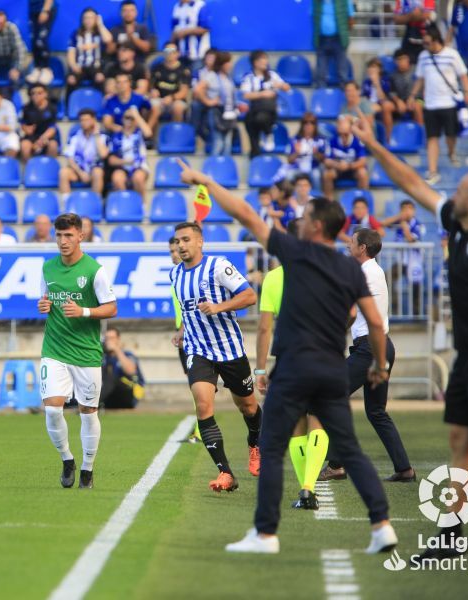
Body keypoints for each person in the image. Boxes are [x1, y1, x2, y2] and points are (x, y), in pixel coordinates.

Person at [174, 160, 397, 555]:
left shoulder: (294, 254)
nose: (301, 217)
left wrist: (205, 180)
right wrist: (380, 365)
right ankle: (381, 525)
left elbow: (244, 212)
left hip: (295, 366)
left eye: (306, 214)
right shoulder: (351, 268)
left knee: (272, 446)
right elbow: (376, 324)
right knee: (349, 446)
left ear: (315, 226)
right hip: (331, 367)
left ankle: (265, 534)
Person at [352, 112, 468, 564]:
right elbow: (411, 183)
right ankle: (451, 535)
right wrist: (373, 144)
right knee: (459, 443)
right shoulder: (459, 224)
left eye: (462, 187)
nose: (453, 192)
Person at [170, 220, 264, 492]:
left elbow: (248, 296)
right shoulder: (175, 275)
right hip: (198, 350)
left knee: (247, 406)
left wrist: (219, 307)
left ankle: (255, 443)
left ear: (200, 241)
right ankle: (225, 473)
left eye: (186, 240)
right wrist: (182, 331)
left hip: (230, 350)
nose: (181, 245)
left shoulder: (218, 266)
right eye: (178, 241)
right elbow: (189, 311)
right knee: (203, 406)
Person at [322, 229, 415, 484]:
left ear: (362, 248)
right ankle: (404, 468)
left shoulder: (363, 273)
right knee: (376, 410)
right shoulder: (374, 271)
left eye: (352, 242)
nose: (348, 245)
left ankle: (337, 464)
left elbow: (351, 311)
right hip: (382, 345)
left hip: (369, 348)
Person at [38, 212, 118, 489]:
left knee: (88, 411)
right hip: (54, 349)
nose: (63, 241)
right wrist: (43, 306)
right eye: (59, 235)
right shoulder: (48, 268)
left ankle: (87, 468)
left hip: (85, 352)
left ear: (81, 236)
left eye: (69, 235)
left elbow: (112, 307)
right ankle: (67, 459)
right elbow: (45, 298)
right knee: (51, 410)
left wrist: (83, 311)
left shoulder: (94, 270)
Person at [255, 219, 330, 510]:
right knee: (318, 420)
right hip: (323, 355)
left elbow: (264, 329)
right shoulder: (325, 272)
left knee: (297, 425)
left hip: (288, 359)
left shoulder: (274, 277)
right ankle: (309, 486)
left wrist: (261, 369)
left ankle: (304, 490)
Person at [409, 24, 468, 185]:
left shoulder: (452, 55)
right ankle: (432, 170)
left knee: (451, 135)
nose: (425, 46)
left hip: (449, 103)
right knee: (432, 138)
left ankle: (452, 152)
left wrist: (467, 92)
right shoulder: (423, 56)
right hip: (430, 104)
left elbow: (463, 75)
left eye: (428, 42)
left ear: (436, 40)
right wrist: (412, 95)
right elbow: (420, 79)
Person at [168, 237, 202, 443]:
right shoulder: (176, 275)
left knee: (198, 382)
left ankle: (201, 430)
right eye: (171, 251)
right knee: (193, 381)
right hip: (183, 332)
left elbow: (190, 306)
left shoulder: (189, 275)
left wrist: (183, 329)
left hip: (191, 333)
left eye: (176, 250)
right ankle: (200, 428)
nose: (174, 253)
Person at [241, 50, 290, 158]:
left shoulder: (272, 75)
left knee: (261, 117)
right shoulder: (249, 77)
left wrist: (280, 85)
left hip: (269, 110)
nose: (265, 62)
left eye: (265, 59)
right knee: (249, 120)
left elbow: (287, 87)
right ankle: (255, 154)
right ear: (255, 62)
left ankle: (268, 133)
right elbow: (245, 95)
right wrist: (263, 94)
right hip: (255, 109)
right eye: (261, 59)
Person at [59, 109, 108, 195]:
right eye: (82, 120)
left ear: (94, 120)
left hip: (95, 171)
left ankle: (95, 203)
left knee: (98, 172)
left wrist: (96, 135)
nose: (84, 122)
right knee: (63, 172)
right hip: (78, 171)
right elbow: (69, 158)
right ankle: (66, 203)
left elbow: (103, 154)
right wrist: (81, 173)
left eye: (87, 120)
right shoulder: (75, 136)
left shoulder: (102, 136)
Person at [66, 8, 112, 96]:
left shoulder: (100, 33)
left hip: (96, 67)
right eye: (86, 18)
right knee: (71, 80)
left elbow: (108, 40)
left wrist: (100, 24)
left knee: (100, 79)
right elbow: (71, 52)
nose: (88, 21)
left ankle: (102, 105)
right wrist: (73, 66)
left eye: (91, 18)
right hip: (79, 67)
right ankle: (69, 107)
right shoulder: (76, 34)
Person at [108, 107, 151, 198]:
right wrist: (124, 162)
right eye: (127, 117)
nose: (129, 120)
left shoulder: (139, 133)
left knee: (138, 178)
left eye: (132, 118)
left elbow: (148, 133)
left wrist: (136, 115)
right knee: (117, 178)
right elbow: (111, 159)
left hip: (139, 167)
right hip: (123, 167)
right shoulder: (116, 136)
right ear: (122, 119)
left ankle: (141, 207)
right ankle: (126, 205)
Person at [323, 115, 369, 199]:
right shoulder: (332, 141)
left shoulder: (358, 141)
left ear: (351, 131)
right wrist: (337, 165)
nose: (343, 137)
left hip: (353, 169)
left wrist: (349, 166)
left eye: (345, 134)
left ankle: (363, 199)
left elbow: (363, 161)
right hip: (338, 169)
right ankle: (328, 201)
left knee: (363, 173)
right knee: (327, 174)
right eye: (340, 134)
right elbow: (327, 161)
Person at [148, 42, 191, 131]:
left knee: (177, 107)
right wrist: (152, 90)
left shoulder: (184, 70)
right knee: (152, 105)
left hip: (176, 100)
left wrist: (171, 98)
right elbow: (149, 85)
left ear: (178, 53)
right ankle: (149, 137)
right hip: (160, 100)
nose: (169, 53)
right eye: (167, 51)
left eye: (172, 51)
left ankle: (176, 135)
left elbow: (183, 92)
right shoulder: (156, 68)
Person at [100, 327, 145, 409]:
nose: (109, 341)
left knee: (112, 378)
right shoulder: (103, 357)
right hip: (110, 397)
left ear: (118, 339)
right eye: (107, 338)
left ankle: (92, 406)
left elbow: (131, 371)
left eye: (112, 338)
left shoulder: (128, 355)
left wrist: (116, 350)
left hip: (128, 394)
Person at [313, 0, 354, 88]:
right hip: (322, 40)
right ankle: (321, 95)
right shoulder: (316, 2)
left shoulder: (345, 1)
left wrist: (345, 34)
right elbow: (314, 17)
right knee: (320, 72)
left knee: (342, 72)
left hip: (338, 39)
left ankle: (344, 94)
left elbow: (350, 19)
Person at [285, 113, 328, 187]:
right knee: (288, 175)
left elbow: (324, 159)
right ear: (302, 125)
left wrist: (316, 153)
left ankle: (317, 196)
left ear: (315, 125)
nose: (309, 125)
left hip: (314, 168)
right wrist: (297, 153)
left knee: (316, 175)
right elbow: (289, 160)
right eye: (305, 123)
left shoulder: (321, 140)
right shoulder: (295, 140)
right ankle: (291, 197)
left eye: (312, 123)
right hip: (298, 168)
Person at [20, 84, 59, 161]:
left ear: (45, 94)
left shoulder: (52, 108)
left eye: (39, 93)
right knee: (24, 146)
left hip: (47, 136)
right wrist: (26, 129)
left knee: (53, 145)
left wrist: (42, 139)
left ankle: (49, 170)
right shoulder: (26, 108)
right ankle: (29, 169)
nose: (36, 95)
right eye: (33, 93)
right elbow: (23, 123)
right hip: (32, 136)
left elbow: (53, 127)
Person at [108, 1, 154, 65]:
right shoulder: (115, 29)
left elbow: (146, 48)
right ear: (121, 13)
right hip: (118, 66)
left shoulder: (142, 28)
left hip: (138, 65)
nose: (128, 13)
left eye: (131, 10)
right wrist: (121, 43)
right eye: (125, 11)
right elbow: (109, 50)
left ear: (136, 13)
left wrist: (132, 37)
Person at [171, 0, 211, 72]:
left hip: (197, 55)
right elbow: (174, 28)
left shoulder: (200, 5)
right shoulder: (177, 6)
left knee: (195, 80)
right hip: (182, 55)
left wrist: (186, 32)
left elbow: (205, 28)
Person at [362, 59, 396, 140]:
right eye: (370, 67)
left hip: (381, 104)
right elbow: (363, 97)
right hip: (369, 105)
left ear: (379, 69)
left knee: (372, 109)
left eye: (374, 67)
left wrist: (377, 84)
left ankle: (387, 138)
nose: (371, 69)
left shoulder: (385, 80)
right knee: (366, 110)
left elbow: (383, 98)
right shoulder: (366, 82)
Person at [388, 49, 424, 125]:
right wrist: (398, 101)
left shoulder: (417, 70)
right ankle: (390, 136)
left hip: (419, 100)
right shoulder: (393, 75)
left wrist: (412, 99)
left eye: (404, 58)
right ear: (395, 62)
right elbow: (391, 92)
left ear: (408, 59)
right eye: (399, 59)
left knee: (417, 105)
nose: (402, 61)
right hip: (402, 101)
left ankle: (420, 133)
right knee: (386, 107)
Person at [25, 0, 56, 85]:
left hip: (44, 9)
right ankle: (37, 68)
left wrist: (45, 10)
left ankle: (46, 69)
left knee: (41, 40)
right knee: (34, 39)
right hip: (33, 9)